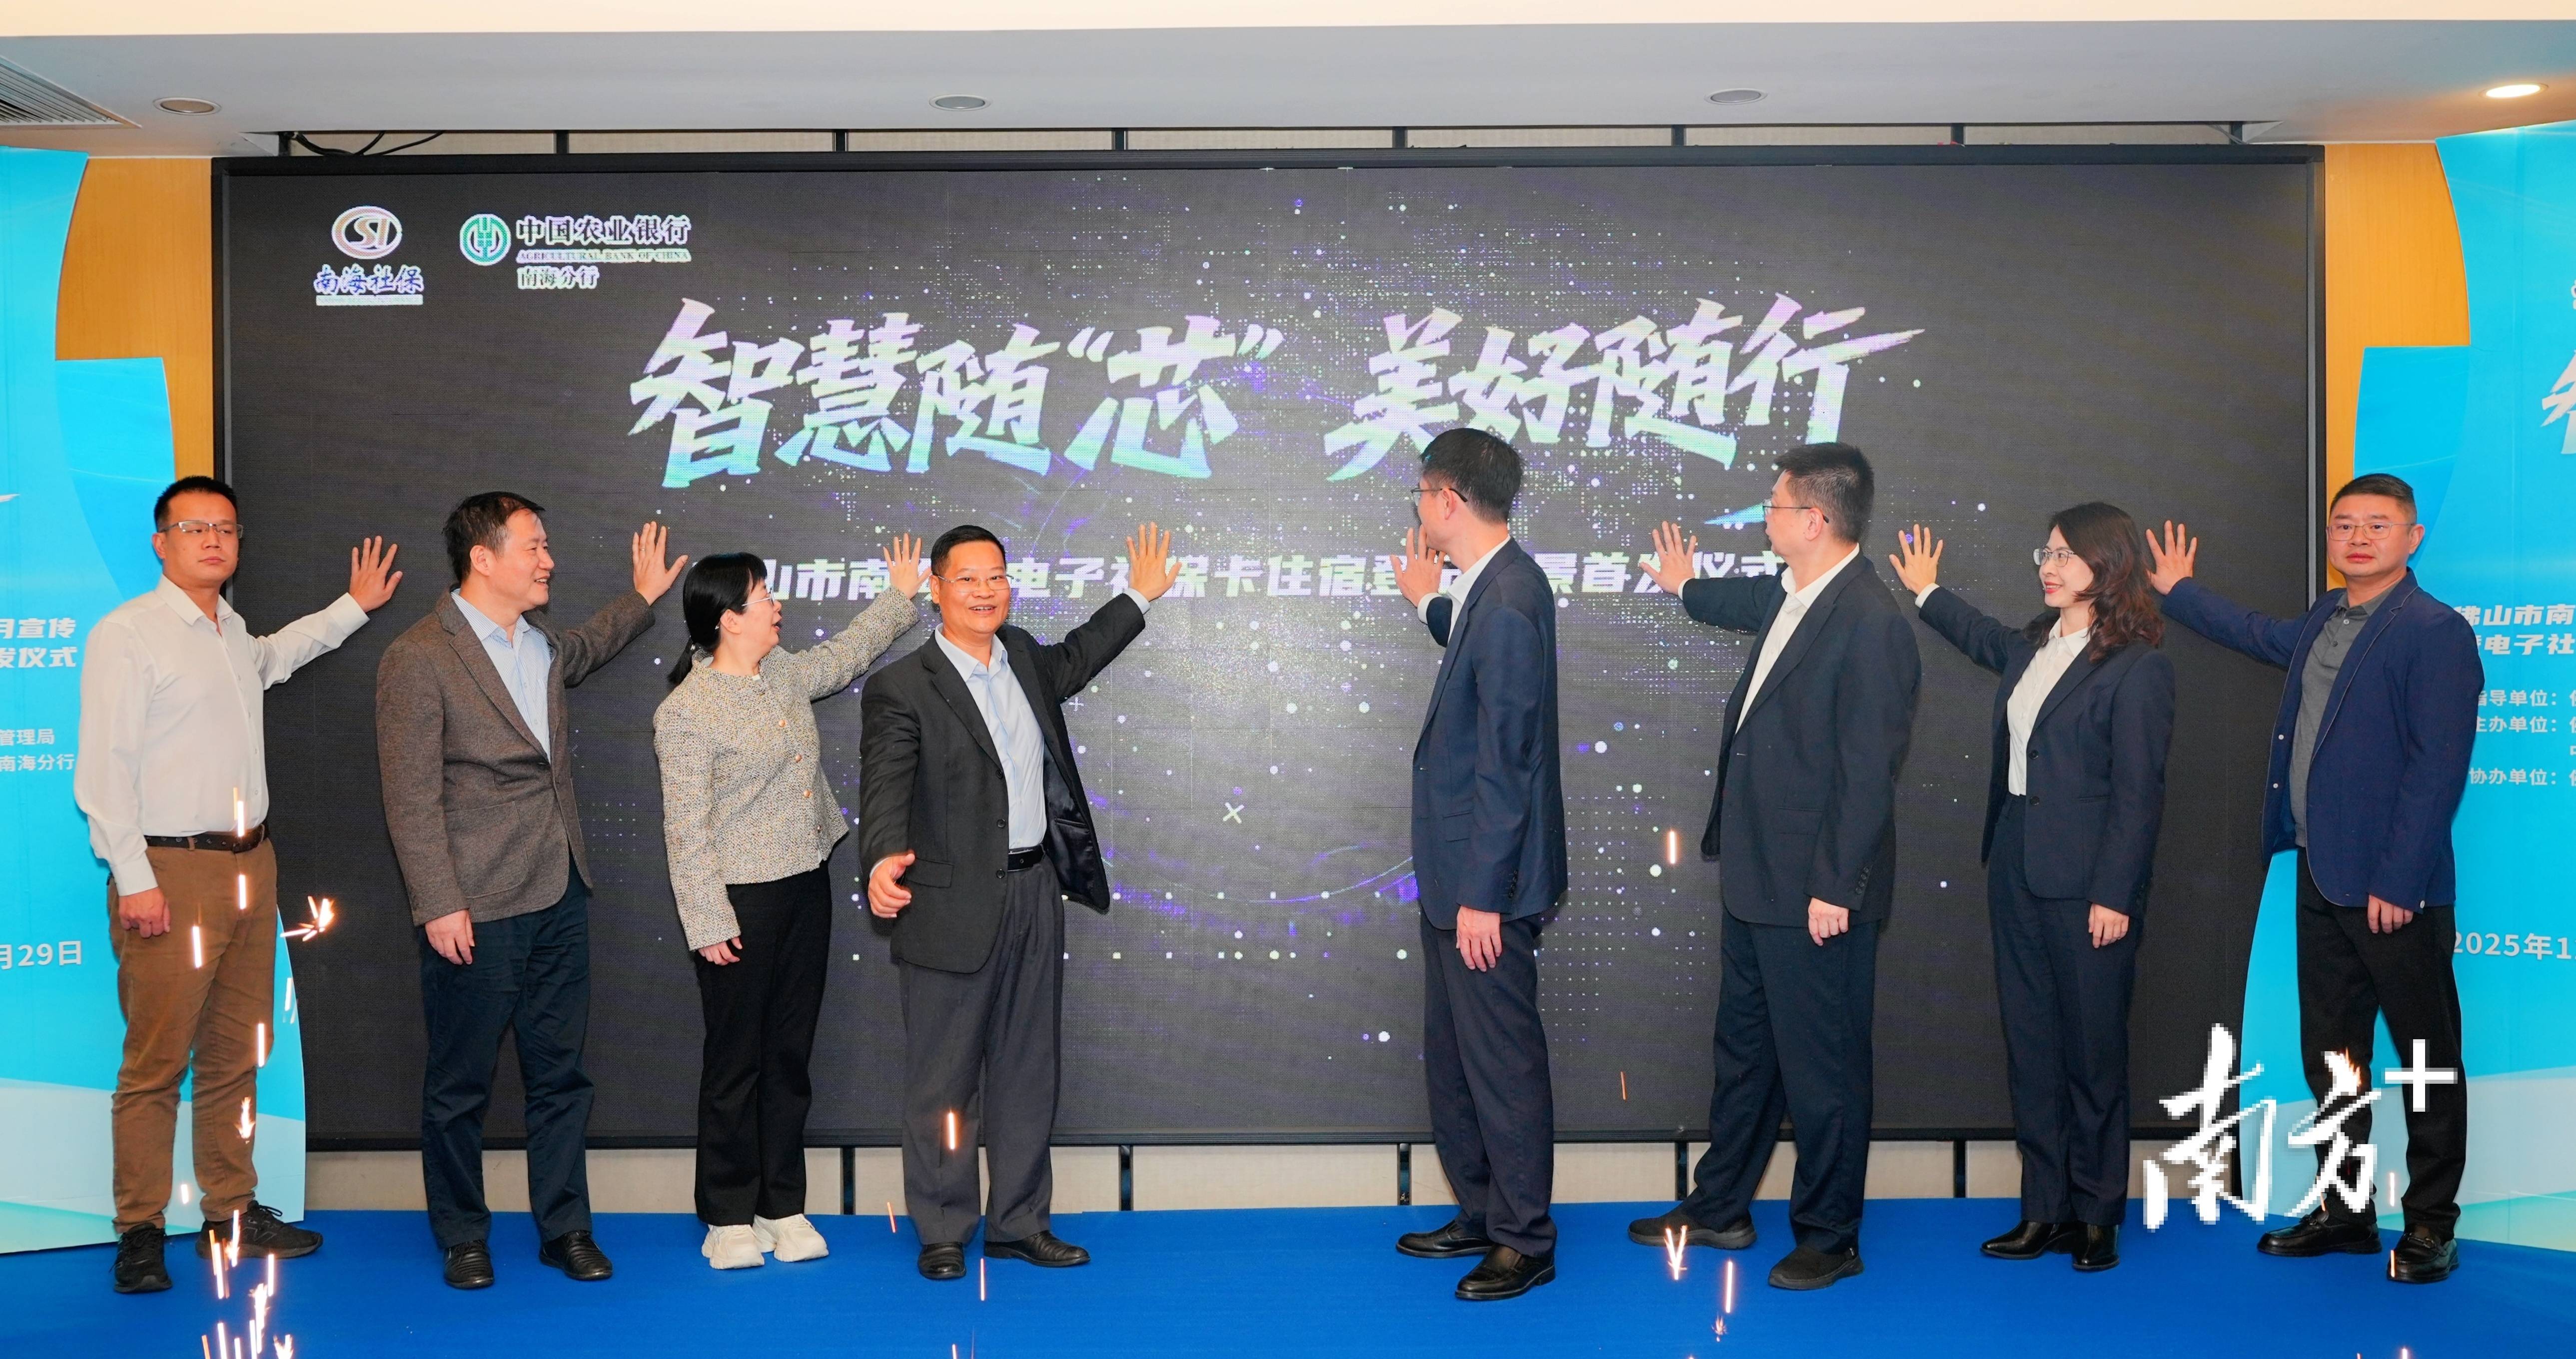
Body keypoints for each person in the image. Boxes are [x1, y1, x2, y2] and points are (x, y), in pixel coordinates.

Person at [2148, 472, 2479, 1284]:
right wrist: (2181, 593)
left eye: (2377, 524)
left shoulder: (2435, 630)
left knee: (2426, 1061)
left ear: (2412, 538)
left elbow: (2438, 768)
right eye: (2344, 524)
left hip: (2397, 894)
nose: (2358, 537)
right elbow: (2258, 634)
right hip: (2321, 875)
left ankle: (2431, 1225)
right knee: (2334, 1057)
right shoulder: (2328, 617)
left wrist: (2399, 881)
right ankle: (2345, 1210)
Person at [76, 475, 402, 1294]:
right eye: (195, 528)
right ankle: (140, 1229)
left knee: (233, 1055)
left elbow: (277, 657)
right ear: (162, 542)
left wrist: (352, 607)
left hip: (252, 863)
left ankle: (230, 1211)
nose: (214, 541)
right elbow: (104, 771)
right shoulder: (130, 633)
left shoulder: (230, 632)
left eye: (226, 528)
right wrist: (135, 879)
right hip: (169, 871)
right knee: (155, 1064)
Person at [1628, 442, 1920, 1291]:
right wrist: (1686, 587)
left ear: (1816, 520)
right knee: (1747, 1053)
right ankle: (1721, 1205)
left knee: (1824, 1070)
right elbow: (1737, 601)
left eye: (1776, 505)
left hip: (1817, 892)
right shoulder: (1791, 592)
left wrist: (1836, 885)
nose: (1766, 517)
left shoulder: (1871, 622)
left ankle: (1830, 1236)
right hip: (1758, 878)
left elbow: (1868, 774)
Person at [375, 492, 685, 1290]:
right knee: (460, 1084)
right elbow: (409, 797)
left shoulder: (541, 643)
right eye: (535, 547)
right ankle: (462, 1236)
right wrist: (439, 902)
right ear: (484, 558)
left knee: (561, 1075)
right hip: (473, 905)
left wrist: (644, 597)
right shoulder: (419, 656)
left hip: (560, 890)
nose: (549, 561)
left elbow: (589, 646)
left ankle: (565, 1228)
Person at [858, 523, 1177, 1281]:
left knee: (1028, 1069)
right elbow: (884, 789)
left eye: (996, 577)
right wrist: (881, 859)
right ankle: (943, 1226)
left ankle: (1020, 1222)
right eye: (968, 579)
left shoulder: (1025, 657)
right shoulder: (903, 686)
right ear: (936, 589)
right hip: (947, 905)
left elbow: (1082, 655)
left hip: (1035, 891)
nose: (985, 591)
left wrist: (1138, 595)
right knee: (944, 1081)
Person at [1889, 504, 2175, 1273]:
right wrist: (1927, 592)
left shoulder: (2138, 667)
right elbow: (1980, 636)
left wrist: (2115, 894)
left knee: (2093, 1050)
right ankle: (2043, 1210)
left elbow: (2139, 795)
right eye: (2045, 553)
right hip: (2016, 862)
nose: (2050, 567)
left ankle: (2097, 1214)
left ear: (2107, 566)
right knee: (2034, 1047)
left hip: (2090, 885)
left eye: (2066, 556)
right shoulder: (2031, 646)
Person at [653, 539, 922, 1271]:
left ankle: (781, 1205)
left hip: (807, 885)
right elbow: (685, 832)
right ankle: (726, 1215)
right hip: (738, 903)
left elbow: (844, 656)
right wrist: (708, 922)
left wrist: (900, 597)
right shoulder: (686, 712)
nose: (778, 605)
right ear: (729, 617)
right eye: (765, 596)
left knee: (789, 1054)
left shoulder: (782, 673)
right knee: (735, 1061)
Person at [1383, 429, 1568, 1303]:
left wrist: (1485, 896)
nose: (1419, 509)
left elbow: (1509, 760)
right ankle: (1484, 1211)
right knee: (1455, 1057)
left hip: (1482, 887)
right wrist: (1429, 602)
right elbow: (1472, 660)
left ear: (1450, 500)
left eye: (1422, 494)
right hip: (1455, 877)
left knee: (1499, 1061)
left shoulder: (1509, 599)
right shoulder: (1488, 591)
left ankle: (1525, 1239)